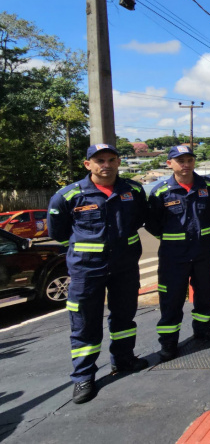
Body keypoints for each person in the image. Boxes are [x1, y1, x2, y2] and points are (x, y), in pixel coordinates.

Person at [48, 144, 149, 404]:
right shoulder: (68, 196)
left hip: (125, 267)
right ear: (88, 165)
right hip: (86, 271)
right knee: (84, 323)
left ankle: (124, 359)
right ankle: (84, 377)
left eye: (111, 159)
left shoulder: (133, 190)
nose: (106, 164)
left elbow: (138, 221)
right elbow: (57, 233)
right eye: (100, 160)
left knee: (124, 317)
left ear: (118, 162)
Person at [146, 146, 210, 362]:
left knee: (204, 293)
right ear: (169, 163)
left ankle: (203, 328)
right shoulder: (161, 191)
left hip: (202, 252)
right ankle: (169, 342)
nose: (185, 164)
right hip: (174, 256)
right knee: (172, 298)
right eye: (180, 160)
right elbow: (153, 224)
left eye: (189, 159)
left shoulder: (207, 185)